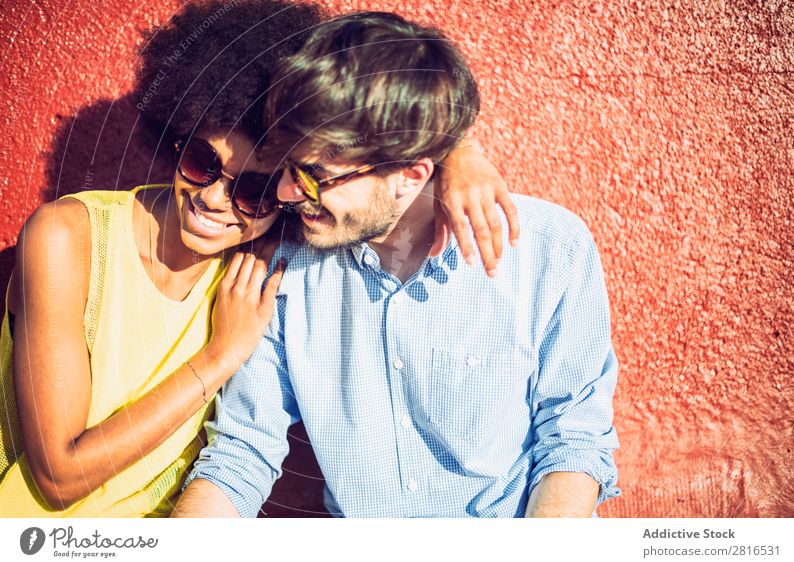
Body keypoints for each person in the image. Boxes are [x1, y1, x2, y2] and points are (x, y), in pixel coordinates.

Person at [0, 2, 516, 517]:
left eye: (255, 189)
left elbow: (365, 131)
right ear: (177, 133)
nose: (214, 200)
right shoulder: (68, 238)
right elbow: (59, 477)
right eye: (202, 161)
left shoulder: (262, 252)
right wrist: (221, 356)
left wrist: (455, 154)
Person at [174, 11, 621, 519]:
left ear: (410, 175)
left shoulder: (549, 250)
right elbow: (241, 454)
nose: (284, 193)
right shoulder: (282, 268)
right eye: (285, 168)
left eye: (314, 176)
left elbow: (573, 438)